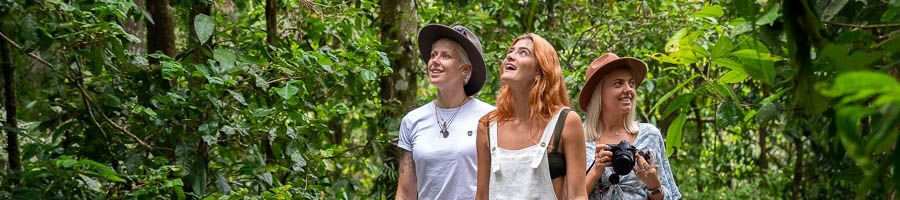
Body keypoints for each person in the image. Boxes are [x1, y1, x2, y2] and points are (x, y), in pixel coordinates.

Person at [475, 33, 587, 200]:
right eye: (510, 52)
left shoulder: (566, 122)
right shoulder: (487, 125)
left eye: (523, 52)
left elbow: (578, 195)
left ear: (540, 71)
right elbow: (482, 195)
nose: (510, 56)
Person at [394, 24, 495, 200]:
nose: (435, 61)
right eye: (433, 55)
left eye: (445, 56)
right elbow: (405, 192)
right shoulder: (412, 121)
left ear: (465, 70)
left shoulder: (490, 118)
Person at [579, 53, 682, 200]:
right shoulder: (579, 140)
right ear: (599, 93)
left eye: (631, 83)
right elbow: (570, 196)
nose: (629, 90)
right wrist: (596, 171)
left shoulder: (649, 135)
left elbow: (671, 197)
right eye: (618, 83)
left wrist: (654, 185)